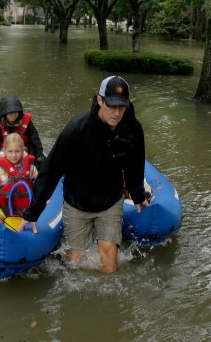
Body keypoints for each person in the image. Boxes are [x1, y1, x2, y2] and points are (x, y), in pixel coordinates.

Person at [18, 76, 149, 273]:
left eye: (122, 106)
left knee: (109, 257)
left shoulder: (132, 129)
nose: (117, 112)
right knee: (76, 264)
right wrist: (32, 212)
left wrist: (138, 195)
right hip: (77, 201)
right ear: (99, 100)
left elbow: (135, 164)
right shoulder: (77, 128)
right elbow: (51, 170)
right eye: (111, 106)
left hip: (110, 200)